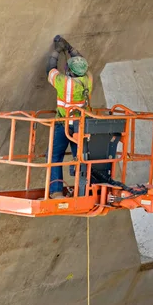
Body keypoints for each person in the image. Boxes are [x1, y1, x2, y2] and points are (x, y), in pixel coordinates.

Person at [46, 35, 93, 199]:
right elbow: (82, 62)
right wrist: (70, 48)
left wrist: (56, 52)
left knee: (54, 156)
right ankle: (83, 191)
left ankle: (56, 191)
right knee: (79, 158)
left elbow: (50, 71)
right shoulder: (88, 80)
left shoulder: (64, 82)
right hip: (81, 126)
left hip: (63, 125)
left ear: (69, 71)